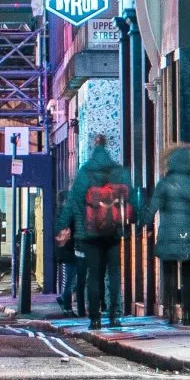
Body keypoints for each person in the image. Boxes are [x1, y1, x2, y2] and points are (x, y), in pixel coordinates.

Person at [59, 134, 136, 330]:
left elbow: (73, 202)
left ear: (93, 149)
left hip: (90, 232)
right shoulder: (118, 171)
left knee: (94, 275)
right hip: (114, 231)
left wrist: (63, 225)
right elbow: (132, 198)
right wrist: (139, 220)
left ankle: (95, 318)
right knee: (114, 273)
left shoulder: (85, 171)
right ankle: (115, 315)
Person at [146, 142, 190, 324]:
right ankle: (188, 313)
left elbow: (152, 208)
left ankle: (171, 311)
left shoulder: (164, 184)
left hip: (168, 233)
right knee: (189, 274)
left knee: (169, 273)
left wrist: (144, 223)